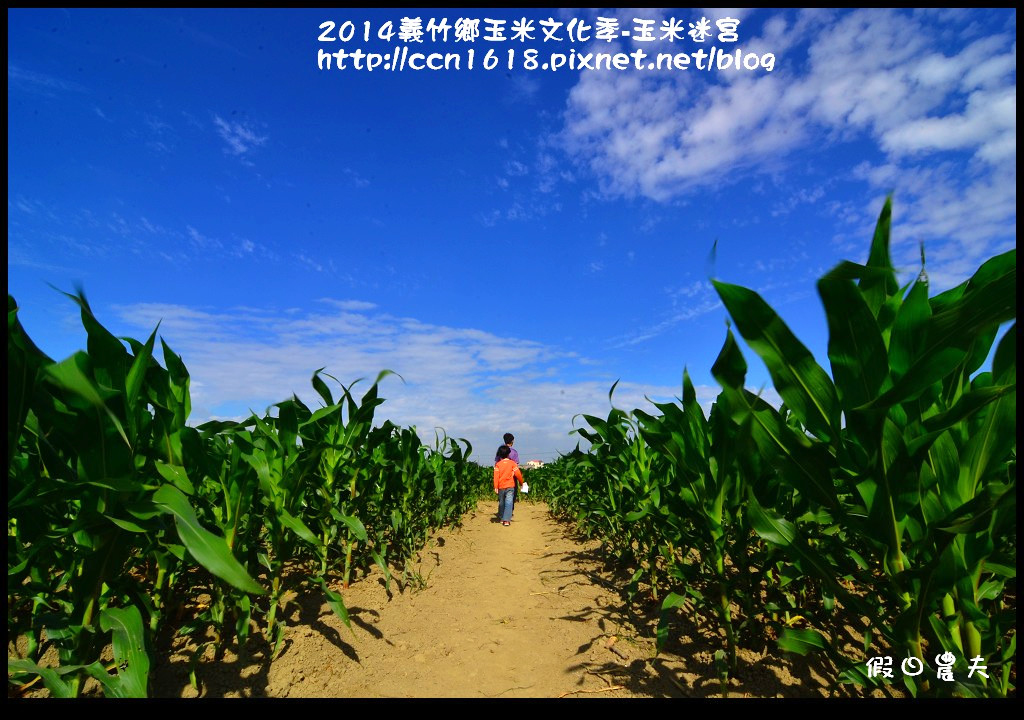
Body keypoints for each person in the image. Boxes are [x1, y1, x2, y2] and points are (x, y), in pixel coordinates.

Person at [493, 444, 523, 527]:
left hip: (501, 486)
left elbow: (496, 477)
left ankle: (502, 517)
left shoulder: (498, 465)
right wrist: (521, 483)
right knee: (509, 502)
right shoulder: (512, 463)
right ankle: (506, 520)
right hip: (510, 486)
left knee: (501, 502)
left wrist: (495, 487)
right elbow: (518, 474)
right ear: (508, 454)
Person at [494, 433, 519, 518]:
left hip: (501, 476)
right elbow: (516, 466)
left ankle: (502, 513)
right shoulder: (514, 452)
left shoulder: (500, 450)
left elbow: (496, 463)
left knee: (502, 497)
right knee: (511, 495)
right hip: (511, 477)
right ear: (512, 441)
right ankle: (509, 513)